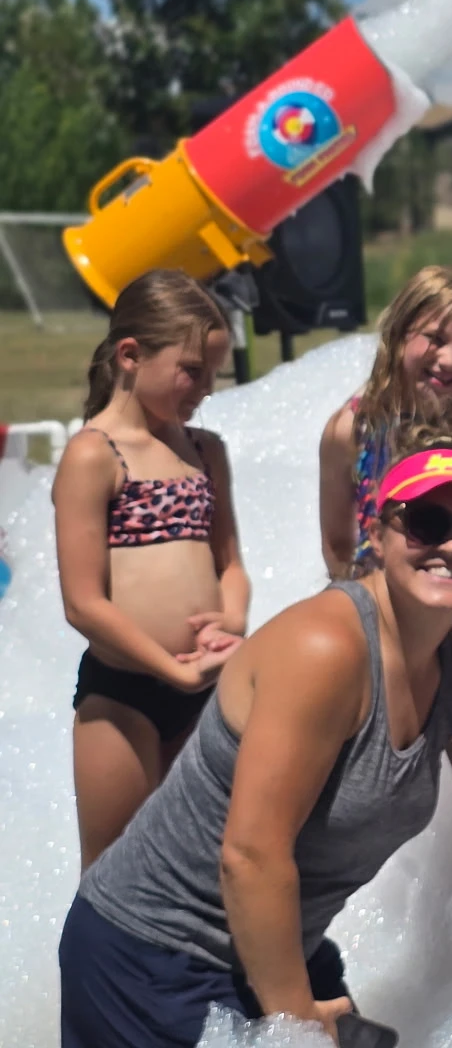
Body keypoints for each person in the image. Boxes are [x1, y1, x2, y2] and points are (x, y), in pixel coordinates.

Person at [61, 436, 452, 1048]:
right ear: (380, 533)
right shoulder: (326, 649)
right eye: (426, 521)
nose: (451, 544)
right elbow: (251, 858)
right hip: (151, 958)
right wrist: (298, 1029)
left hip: (273, 950)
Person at [55, 270, 248, 869]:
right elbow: (83, 603)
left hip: (204, 688)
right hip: (123, 696)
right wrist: (171, 669)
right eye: (193, 371)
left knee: (200, 866)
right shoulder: (94, 455)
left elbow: (231, 564)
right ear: (131, 356)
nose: (205, 389)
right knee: (113, 873)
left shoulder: (203, 450)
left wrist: (232, 621)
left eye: (214, 375)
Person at [319, 266, 452, 579]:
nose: (448, 360)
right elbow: (338, 546)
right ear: (399, 332)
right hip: (379, 595)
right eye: (435, 338)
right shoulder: (354, 429)